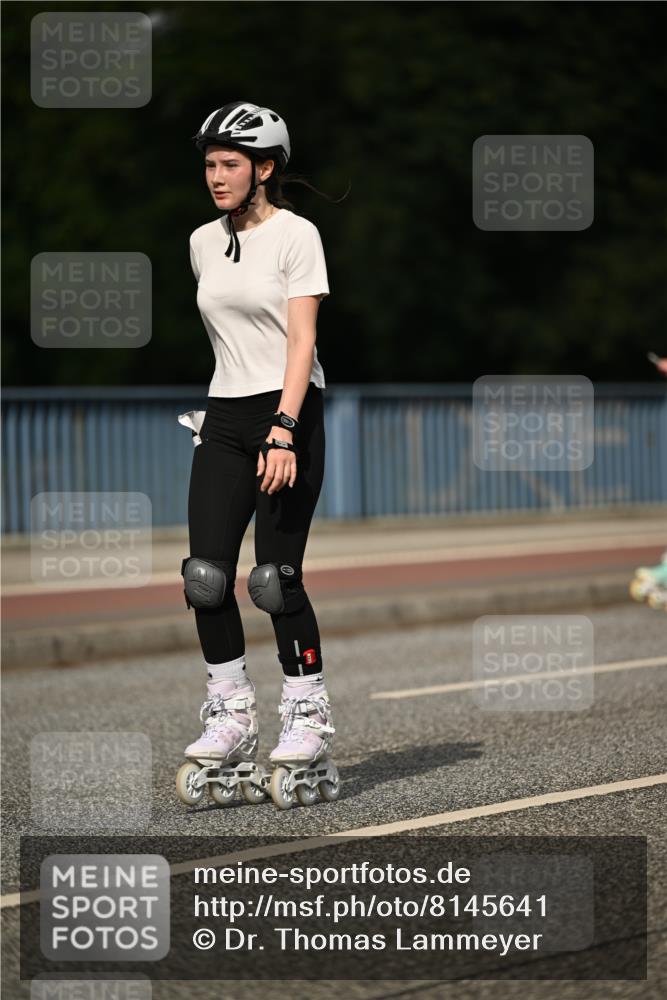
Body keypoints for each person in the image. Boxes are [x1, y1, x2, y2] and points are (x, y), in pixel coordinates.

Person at [177, 101, 339, 808]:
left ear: (264, 168)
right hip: (223, 414)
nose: (216, 176)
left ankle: (306, 714)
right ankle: (231, 714)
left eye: (230, 164)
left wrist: (283, 429)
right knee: (205, 577)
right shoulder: (200, 242)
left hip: (287, 409)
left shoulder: (296, 235)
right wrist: (234, 420)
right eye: (210, 164)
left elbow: (300, 340)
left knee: (273, 577)